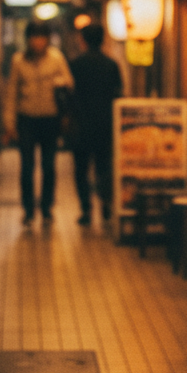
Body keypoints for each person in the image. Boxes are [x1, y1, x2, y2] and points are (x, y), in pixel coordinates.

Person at [3, 20, 74, 224]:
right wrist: (10, 124)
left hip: (50, 119)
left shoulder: (56, 58)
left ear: (47, 39)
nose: (37, 42)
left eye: (41, 37)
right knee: (26, 166)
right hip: (26, 118)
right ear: (28, 39)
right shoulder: (19, 61)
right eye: (34, 37)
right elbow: (11, 94)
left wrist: (60, 86)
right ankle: (27, 208)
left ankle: (46, 207)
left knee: (49, 165)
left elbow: (69, 84)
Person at [68, 23, 122, 225]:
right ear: (103, 40)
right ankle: (106, 206)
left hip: (81, 124)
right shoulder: (111, 65)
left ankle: (86, 210)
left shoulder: (75, 65)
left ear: (82, 40)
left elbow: (70, 94)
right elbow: (118, 94)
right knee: (103, 167)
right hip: (105, 125)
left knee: (81, 170)